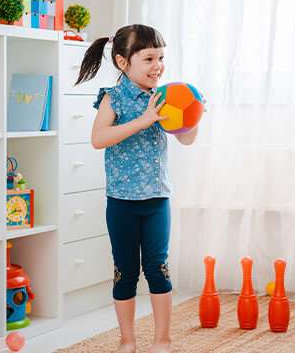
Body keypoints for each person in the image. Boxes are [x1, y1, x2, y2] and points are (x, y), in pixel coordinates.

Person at [79, 24, 198, 353]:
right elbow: (98, 139)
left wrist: (194, 118)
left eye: (161, 57)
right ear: (122, 62)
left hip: (157, 199)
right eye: (148, 58)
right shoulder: (112, 98)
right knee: (125, 271)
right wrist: (143, 121)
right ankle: (127, 340)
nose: (157, 65)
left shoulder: (166, 97)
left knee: (158, 269)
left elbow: (185, 139)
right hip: (121, 202)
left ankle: (163, 340)